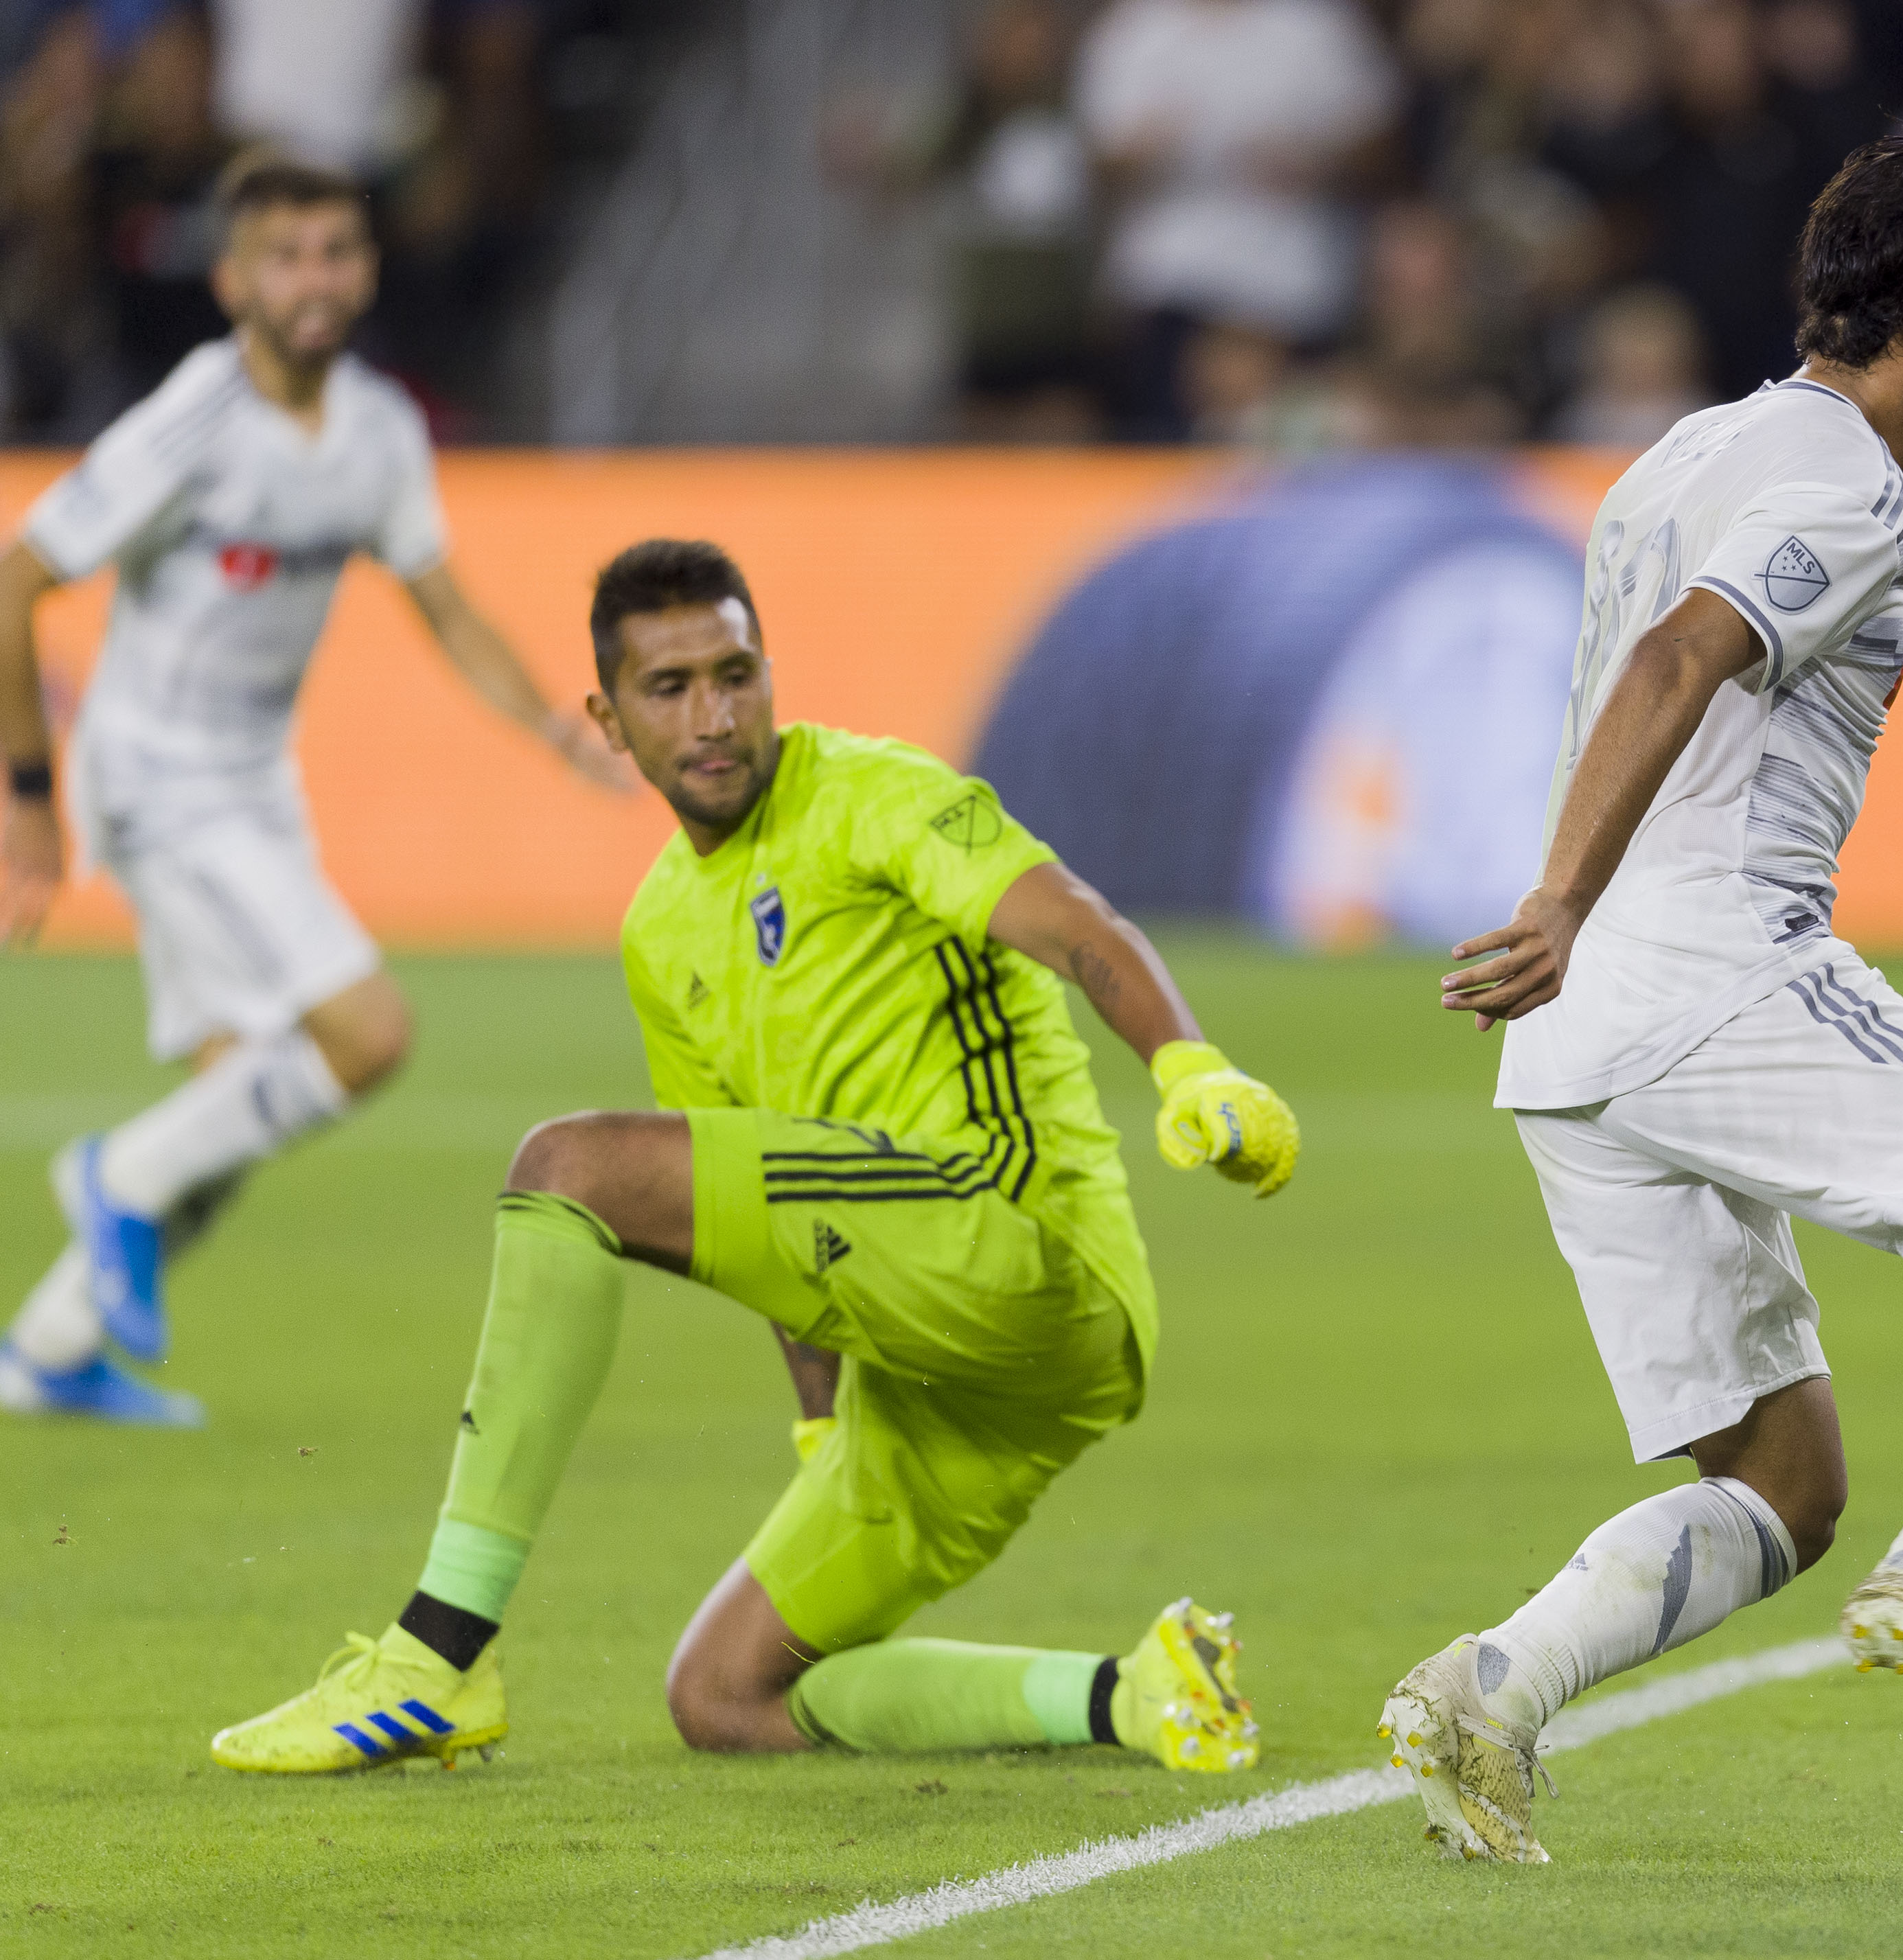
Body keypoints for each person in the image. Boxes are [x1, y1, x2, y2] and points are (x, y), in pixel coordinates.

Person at [209, 538, 1300, 1775]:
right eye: (669, 690)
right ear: (607, 721)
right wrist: (821, 1427)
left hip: (1015, 1244)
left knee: (565, 1167)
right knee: (726, 1696)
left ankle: (436, 1655)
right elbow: (759, 1205)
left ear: (771, 673)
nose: (714, 717)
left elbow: (1078, 926)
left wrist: (1188, 1065)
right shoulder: (660, 932)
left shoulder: (873, 794)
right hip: (963, 1369)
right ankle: (1140, 1693)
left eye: (734, 675)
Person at [1381, 137, 1903, 1864]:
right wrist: (1563, 904)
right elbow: (1680, 660)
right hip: (1705, 966)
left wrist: (1570, 935)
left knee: (1782, 1480)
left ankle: (1489, 1688)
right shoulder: (1850, 485)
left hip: (1572, 1049)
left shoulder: (1682, 452)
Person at [0, 157, 631, 1428]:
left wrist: (558, 730)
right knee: (366, 1035)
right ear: (232, 280)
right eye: (284, 255)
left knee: (239, 1108)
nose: (314, 278)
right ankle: (110, 1177)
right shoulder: (196, 417)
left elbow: (445, 607)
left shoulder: (380, 432)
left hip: (253, 783)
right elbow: (18, 575)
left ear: (368, 268)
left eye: (336, 251)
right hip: (156, 773)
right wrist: (28, 791)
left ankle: (48, 1352)